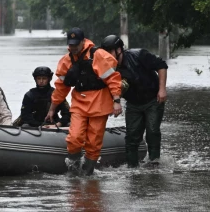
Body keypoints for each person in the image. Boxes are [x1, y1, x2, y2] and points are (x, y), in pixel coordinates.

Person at [45, 28, 122, 175]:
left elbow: (113, 79)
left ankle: (87, 174)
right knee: (74, 138)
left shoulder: (98, 55)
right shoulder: (67, 61)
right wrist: (52, 108)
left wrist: (116, 100)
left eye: (76, 44)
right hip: (79, 103)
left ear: (83, 42)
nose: (73, 47)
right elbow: (61, 87)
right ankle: (74, 171)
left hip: (100, 104)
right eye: (70, 44)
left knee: (93, 144)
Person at [100, 35, 168, 166]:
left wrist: (162, 89)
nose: (107, 55)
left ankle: (154, 164)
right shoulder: (108, 68)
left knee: (152, 132)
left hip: (153, 99)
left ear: (119, 50)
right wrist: (114, 103)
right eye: (105, 52)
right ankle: (132, 168)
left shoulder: (139, 55)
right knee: (131, 137)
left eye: (110, 51)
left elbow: (162, 66)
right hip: (133, 104)